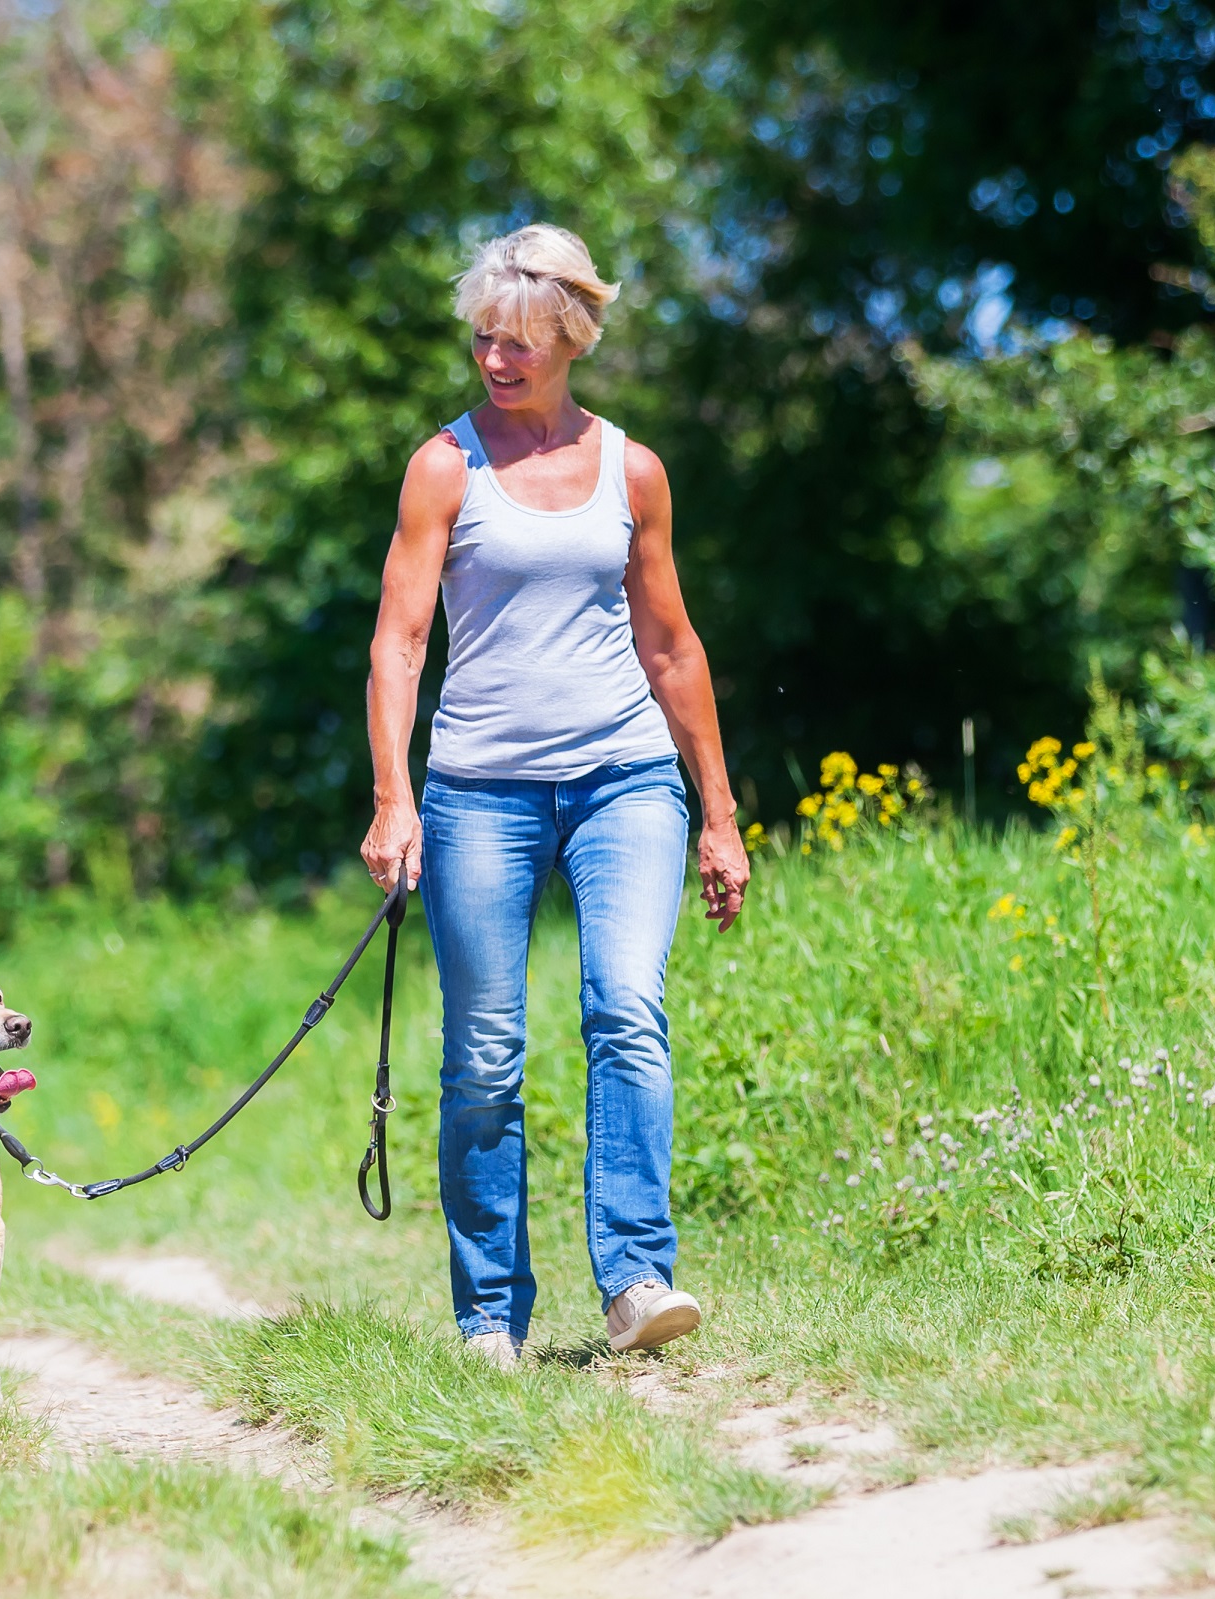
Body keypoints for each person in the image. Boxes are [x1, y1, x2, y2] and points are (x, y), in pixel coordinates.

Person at [359, 223, 749, 1365]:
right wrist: (394, 797)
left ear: (573, 337)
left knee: (626, 1007)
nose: (496, 359)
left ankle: (635, 1279)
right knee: (485, 1053)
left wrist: (719, 815)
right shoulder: (445, 467)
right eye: (484, 338)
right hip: (479, 792)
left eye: (519, 341)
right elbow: (400, 640)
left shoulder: (634, 470)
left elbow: (671, 646)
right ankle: (491, 1316)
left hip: (626, 780)